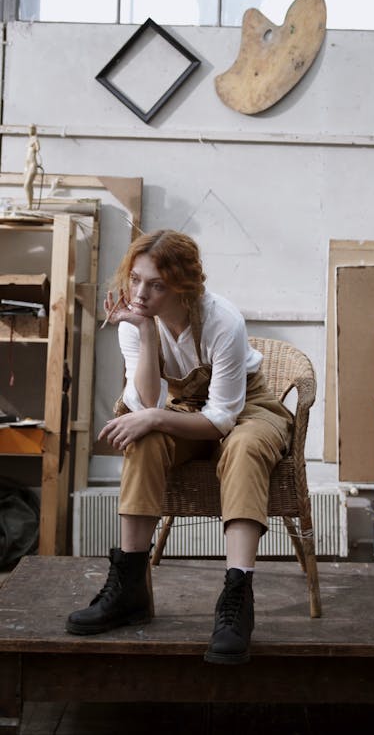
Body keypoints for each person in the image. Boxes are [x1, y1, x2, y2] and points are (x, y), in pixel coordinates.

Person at [66, 229, 292, 664]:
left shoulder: (222, 319)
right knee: (145, 436)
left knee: (243, 446)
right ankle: (130, 586)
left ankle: (237, 598)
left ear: (183, 286)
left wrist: (153, 415)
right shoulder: (135, 320)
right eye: (135, 279)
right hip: (181, 406)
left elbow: (224, 418)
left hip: (246, 407)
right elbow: (148, 403)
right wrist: (147, 335)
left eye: (156, 284)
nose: (140, 293)